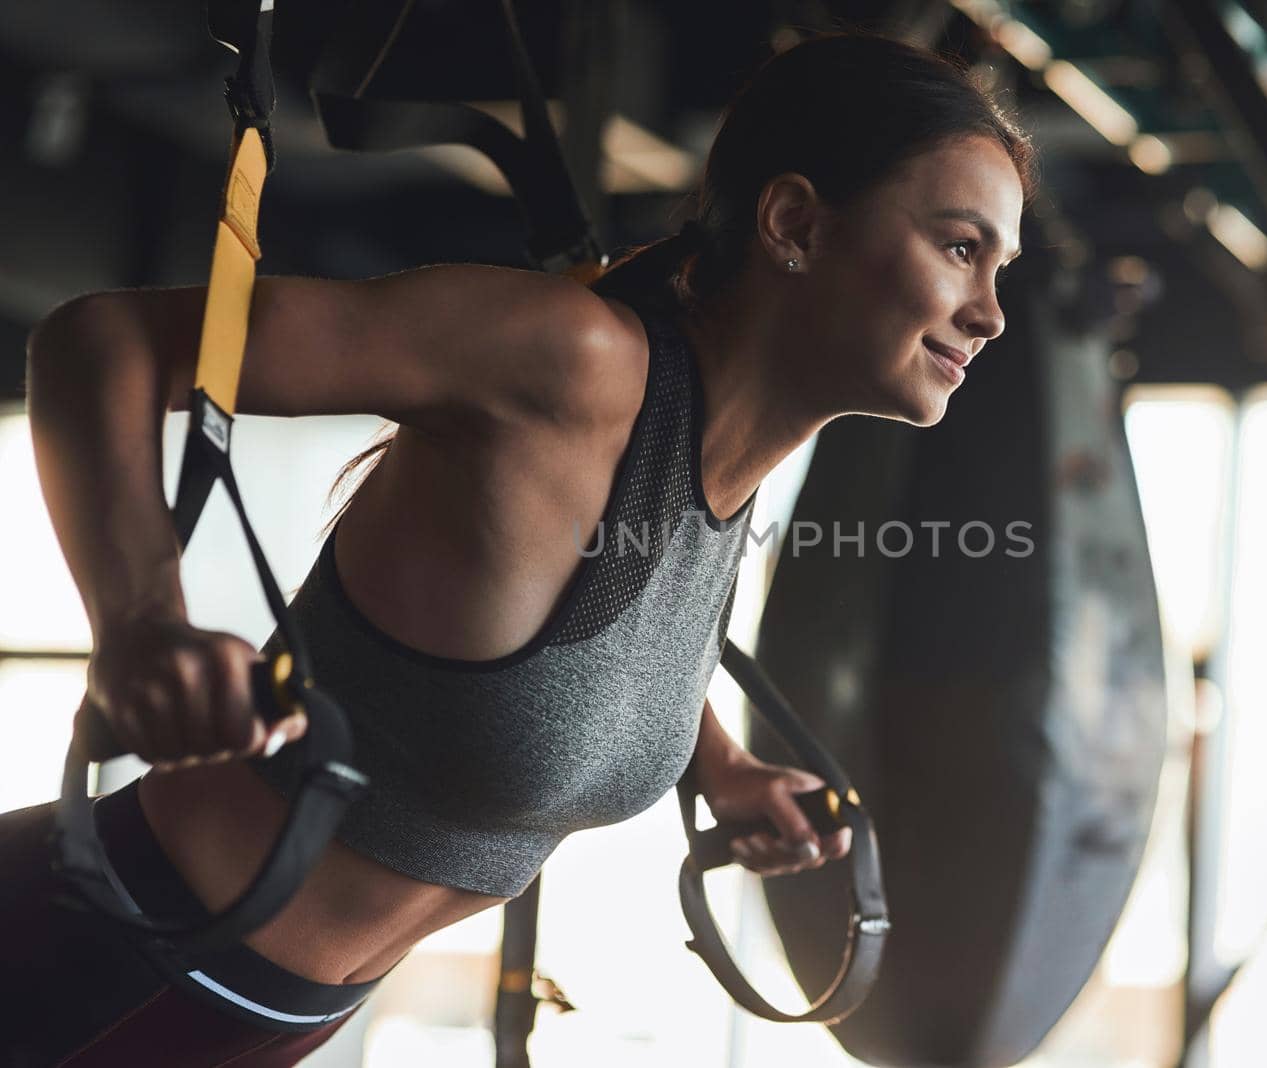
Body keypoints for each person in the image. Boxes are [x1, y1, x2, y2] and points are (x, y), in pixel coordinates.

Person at [5, 30, 1034, 1067]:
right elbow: (100, 344)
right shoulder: (570, 363)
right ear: (795, 223)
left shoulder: (723, 457)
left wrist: (721, 770)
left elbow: (603, 632)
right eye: (958, 247)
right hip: (89, 955)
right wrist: (140, 623)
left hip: (257, 1015)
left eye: (1000, 266)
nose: (990, 313)